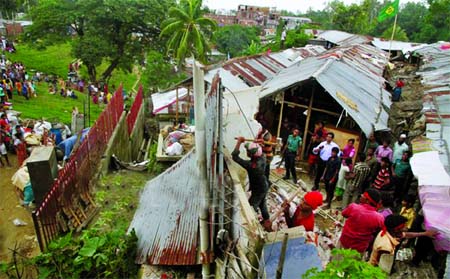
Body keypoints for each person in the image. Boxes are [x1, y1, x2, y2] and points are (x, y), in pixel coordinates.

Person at [232, 137, 271, 230]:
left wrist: (239, 143)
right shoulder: (262, 158)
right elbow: (259, 150)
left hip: (258, 189)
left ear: (251, 154)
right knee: (262, 204)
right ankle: (267, 222)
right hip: (264, 185)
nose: (246, 152)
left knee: (251, 207)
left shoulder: (252, 166)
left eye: (247, 151)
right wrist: (257, 143)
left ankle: (253, 228)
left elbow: (235, 157)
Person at [369, 214, 437, 266]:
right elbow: (383, 267)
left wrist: (425, 233)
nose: (405, 228)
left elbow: (407, 234)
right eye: (403, 227)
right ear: (396, 229)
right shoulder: (386, 247)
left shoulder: (389, 232)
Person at [339, 189, 384, 254]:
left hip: (344, 242)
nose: (361, 196)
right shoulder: (379, 217)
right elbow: (379, 229)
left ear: (367, 200)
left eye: (363, 196)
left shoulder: (353, 207)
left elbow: (344, 214)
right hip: (360, 248)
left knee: (338, 261)